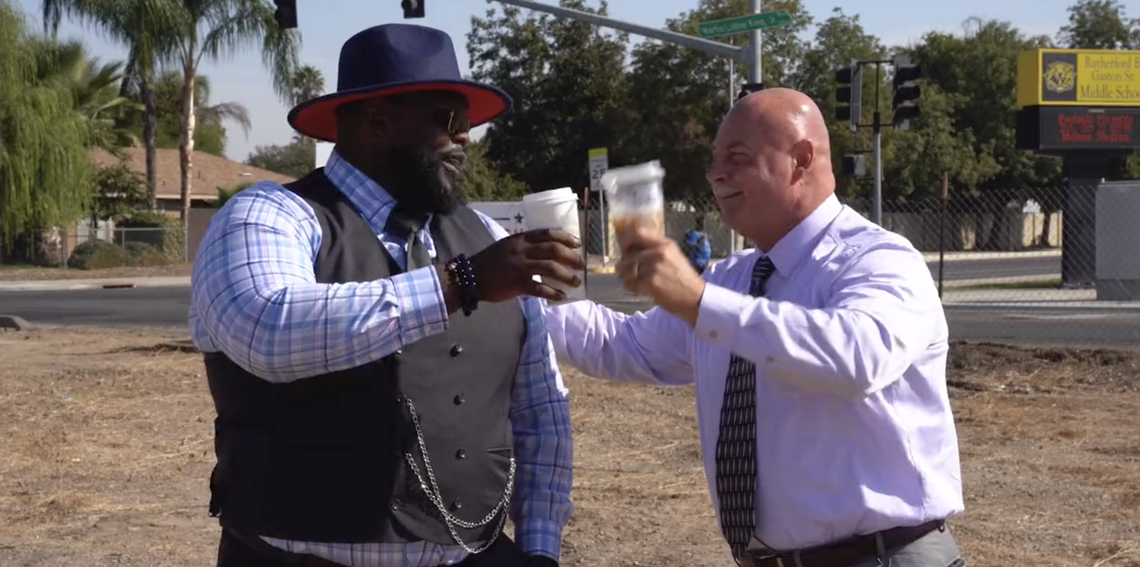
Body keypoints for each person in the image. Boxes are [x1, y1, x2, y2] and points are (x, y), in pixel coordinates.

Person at [190, 24, 582, 567]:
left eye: (468, 121)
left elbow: (539, 410)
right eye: (450, 118)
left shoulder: (488, 241)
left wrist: (540, 548)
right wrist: (460, 283)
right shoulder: (270, 216)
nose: (467, 136)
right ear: (378, 121)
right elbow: (266, 331)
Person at [545, 88, 964, 567]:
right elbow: (629, 346)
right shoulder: (732, 278)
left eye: (737, 157)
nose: (715, 173)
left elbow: (856, 358)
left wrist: (699, 301)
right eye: (714, 159)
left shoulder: (878, 260)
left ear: (800, 159)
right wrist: (518, 295)